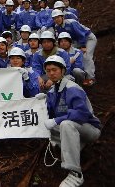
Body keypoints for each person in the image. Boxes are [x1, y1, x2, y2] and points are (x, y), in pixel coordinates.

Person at [37, 55, 100, 187]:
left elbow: (81, 114)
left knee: (65, 124)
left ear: (63, 70)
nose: (51, 73)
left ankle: (76, 173)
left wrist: (57, 120)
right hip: (75, 128)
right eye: (48, 71)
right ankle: (70, 145)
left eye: (54, 69)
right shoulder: (53, 90)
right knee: (49, 125)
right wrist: (41, 102)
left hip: (89, 129)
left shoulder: (72, 88)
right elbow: (49, 113)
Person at [52, 9, 96, 86]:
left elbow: (81, 34)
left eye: (58, 17)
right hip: (75, 41)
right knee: (69, 52)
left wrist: (83, 46)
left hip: (87, 38)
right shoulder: (57, 27)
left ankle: (90, 78)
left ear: (62, 17)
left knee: (87, 56)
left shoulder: (71, 22)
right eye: (55, 18)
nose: (57, 19)